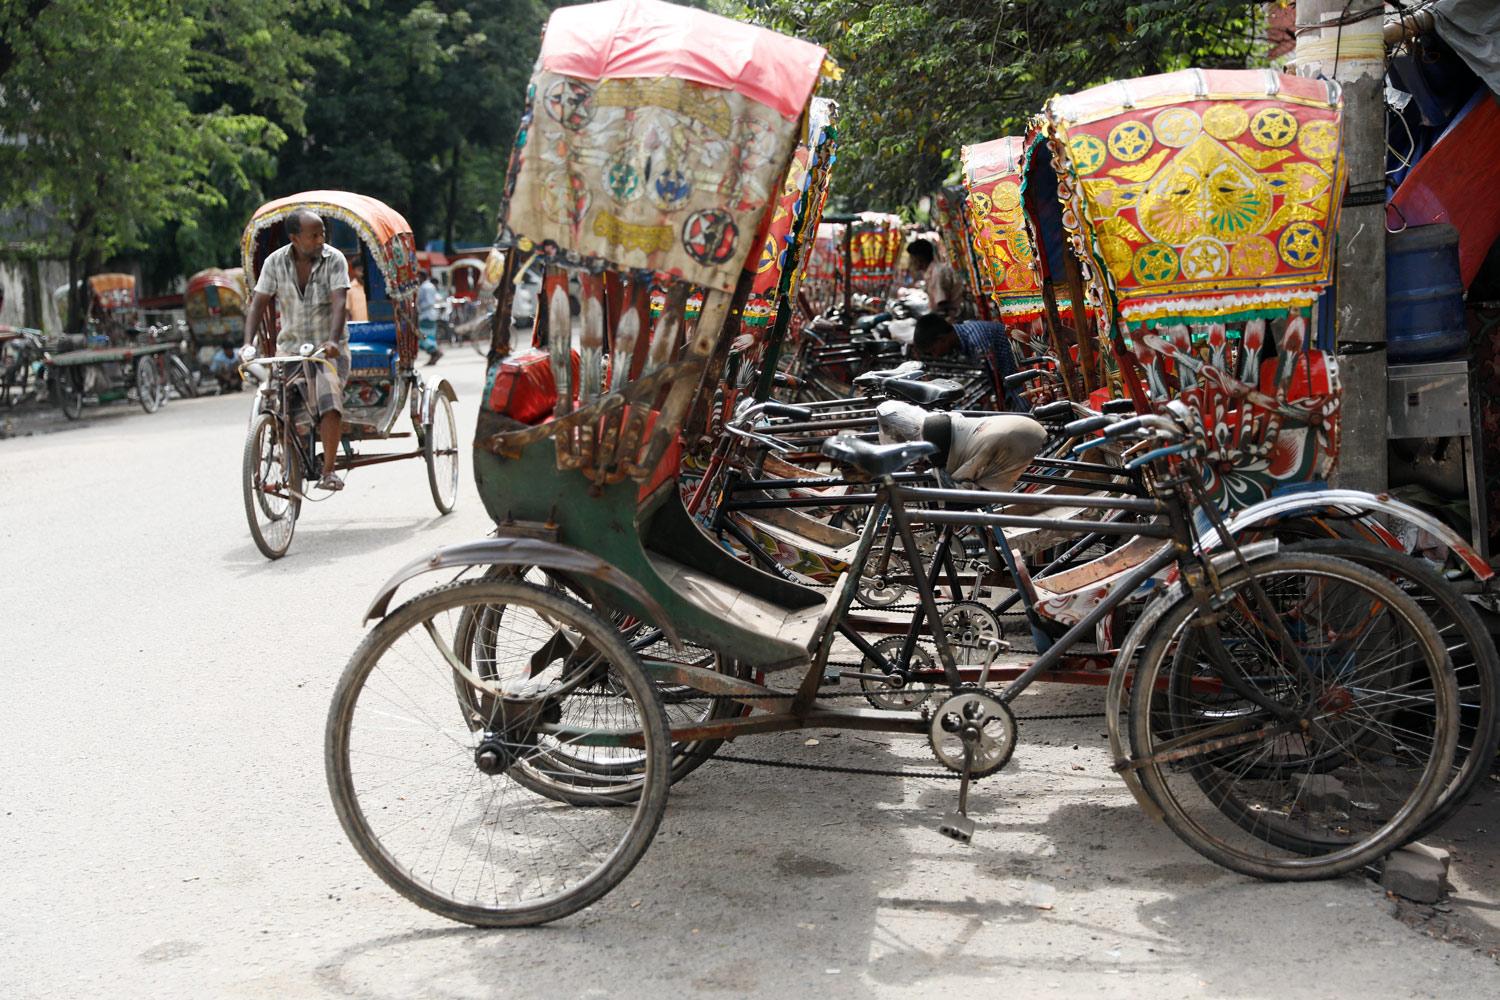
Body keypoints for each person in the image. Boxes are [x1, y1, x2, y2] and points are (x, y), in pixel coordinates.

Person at [240, 208, 351, 492]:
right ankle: (291, 461)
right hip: (290, 350)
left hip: (326, 353)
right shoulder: (274, 263)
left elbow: (340, 303)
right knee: (279, 407)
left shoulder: (334, 259)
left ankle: (328, 471)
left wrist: (333, 341)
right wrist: (247, 343)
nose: (319, 240)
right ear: (294, 238)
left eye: (322, 234)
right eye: (313, 235)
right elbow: (258, 303)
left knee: (329, 402)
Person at [906, 237, 964, 321]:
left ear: (919, 259)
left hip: (953, 319)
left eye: (912, 258)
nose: (910, 262)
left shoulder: (937, 273)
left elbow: (942, 307)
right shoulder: (931, 272)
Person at [417, 269, 442, 365]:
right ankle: (434, 353)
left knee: (423, 337)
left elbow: (429, 302)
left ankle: (435, 352)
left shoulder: (425, 287)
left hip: (426, 315)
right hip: (430, 315)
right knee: (429, 337)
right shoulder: (429, 286)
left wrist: (418, 308)